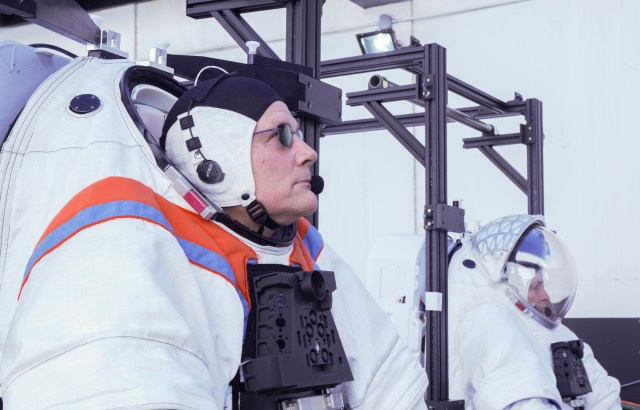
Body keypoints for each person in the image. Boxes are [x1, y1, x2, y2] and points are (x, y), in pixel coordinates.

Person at [0, 75, 428, 409]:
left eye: (297, 134)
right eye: (281, 136)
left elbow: (392, 387)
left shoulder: (301, 245)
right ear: (214, 158)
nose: (307, 152)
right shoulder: (127, 232)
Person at [447, 214, 621, 409]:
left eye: (543, 285)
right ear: (510, 287)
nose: (545, 295)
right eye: (535, 286)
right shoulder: (494, 329)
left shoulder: (557, 335)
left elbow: (605, 398)